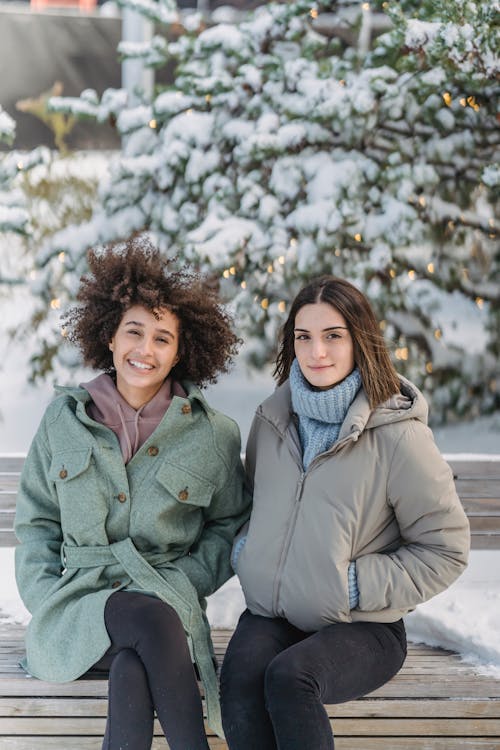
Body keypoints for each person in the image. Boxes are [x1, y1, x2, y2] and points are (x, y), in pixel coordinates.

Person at [15, 237, 251, 750]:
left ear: (181, 350)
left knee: (133, 665)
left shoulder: (213, 435)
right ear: (110, 336)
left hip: (167, 611)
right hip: (77, 613)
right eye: (134, 332)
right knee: (145, 619)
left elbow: (230, 525)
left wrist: (185, 579)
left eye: (162, 338)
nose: (145, 350)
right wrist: (45, 594)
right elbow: (35, 522)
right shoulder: (65, 420)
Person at [220, 275, 470, 750]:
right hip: (272, 612)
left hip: (364, 626)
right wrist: (248, 555)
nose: (317, 352)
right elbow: (251, 506)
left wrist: (351, 585)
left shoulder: (398, 435)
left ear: (360, 339)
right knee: (240, 684)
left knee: (291, 679)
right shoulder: (271, 422)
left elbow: (446, 549)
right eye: (304, 337)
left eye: (333, 336)